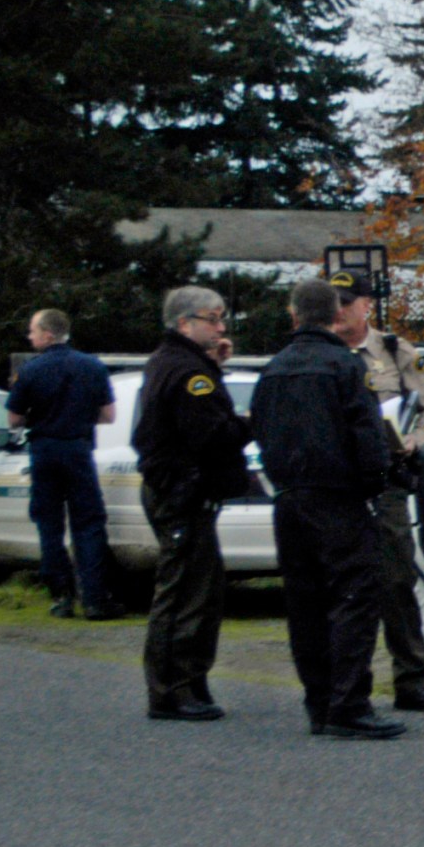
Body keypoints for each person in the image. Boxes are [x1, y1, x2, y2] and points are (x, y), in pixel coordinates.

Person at [249, 279, 407, 742]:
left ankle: (318, 701)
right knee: (354, 598)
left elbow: (260, 429)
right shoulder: (343, 365)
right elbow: (367, 435)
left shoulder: (273, 369)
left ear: (293, 316)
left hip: (289, 499)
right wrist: (376, 486)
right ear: (336, 316)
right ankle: (349, 703)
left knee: (305, 603)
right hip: (339, 498)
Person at [328, 268, 424, 714]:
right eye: (333, 302)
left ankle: (411, 680)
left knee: (397, 581)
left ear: (366, 306)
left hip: (384, 484)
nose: (339, 310)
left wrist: (412, 443)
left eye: (347, 302)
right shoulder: (319, 351)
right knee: (338, 586)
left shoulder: (396, 351)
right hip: (336, 486)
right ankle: (342, 684)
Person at [131, 287, 251, 722]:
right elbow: (210, 434)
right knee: (182, 591)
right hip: (182, 490)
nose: (221, 328)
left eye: (222, 319)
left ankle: (190, 679)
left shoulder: (185, 364)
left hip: (187, 490)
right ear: (184, 323)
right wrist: (247, 426)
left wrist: (214, 366)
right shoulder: (185, 371)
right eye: (213, 319)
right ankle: (169, 689)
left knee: (204, 588)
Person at [4, 307, 121, 620]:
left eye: (32, 331)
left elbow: (14, 418)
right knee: (89, 523)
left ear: (48, 334)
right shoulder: (93, 367)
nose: (30, 337)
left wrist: (38, 416)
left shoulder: (30, 370)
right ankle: (95, 599)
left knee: (49, 524)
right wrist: (81, 416)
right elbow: (109, 415)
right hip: (79, 449)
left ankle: (61, 597)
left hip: (44, 450)